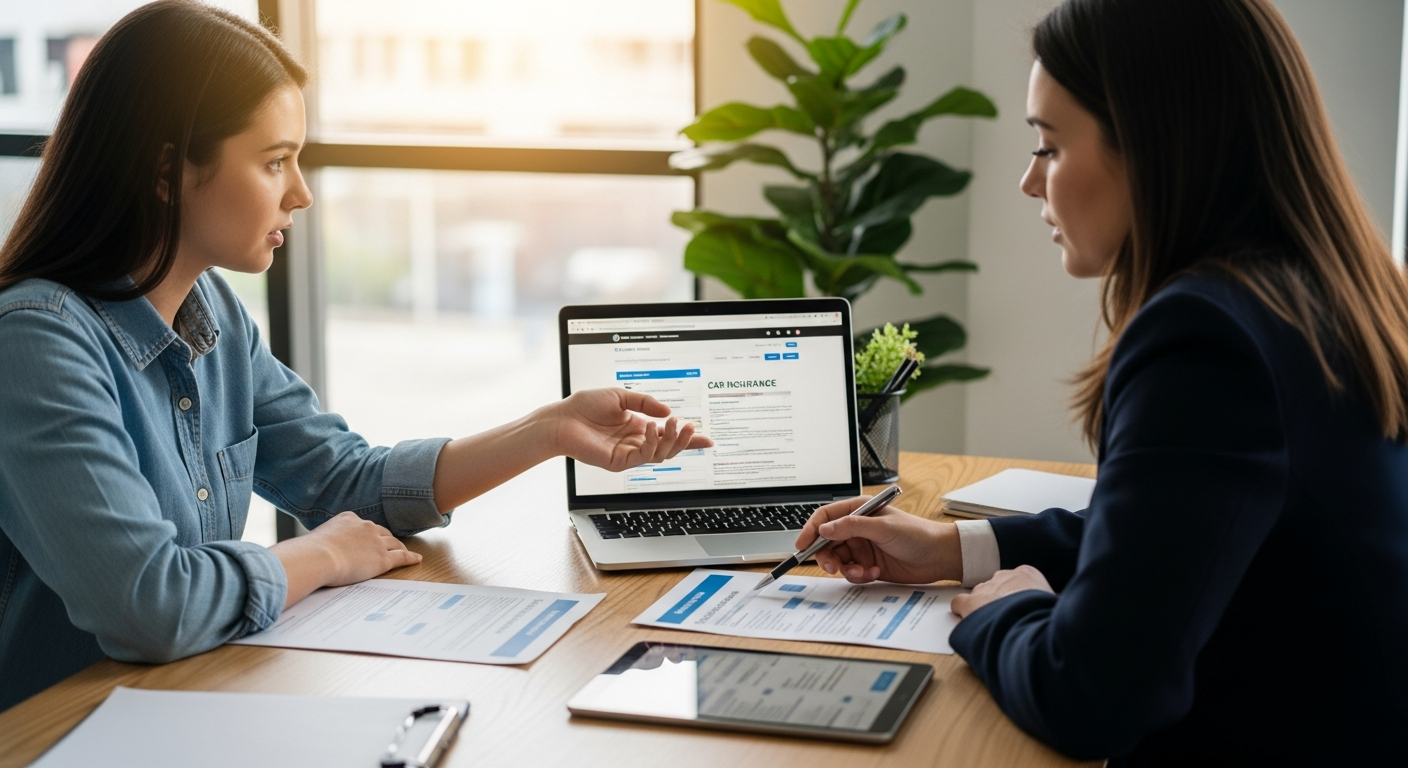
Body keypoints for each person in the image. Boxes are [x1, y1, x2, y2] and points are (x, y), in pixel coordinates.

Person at [0, 1, 710, 712]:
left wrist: (549, 430)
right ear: (164, 172)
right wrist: (321, 555)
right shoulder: (38, 341)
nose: (301, 193)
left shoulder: (211, 312)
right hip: (64, 729)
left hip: (183, 703)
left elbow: (345, 481)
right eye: (275, 161)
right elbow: (150, 607)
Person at [796, 0, 1408, 763]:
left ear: (1153, 147)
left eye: (1049, 146)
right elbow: (1179, 536)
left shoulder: (1204, 336)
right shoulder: (1322, 295)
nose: (1028, 182)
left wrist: (1003, 608)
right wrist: (956, 546)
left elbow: (1091, 694)